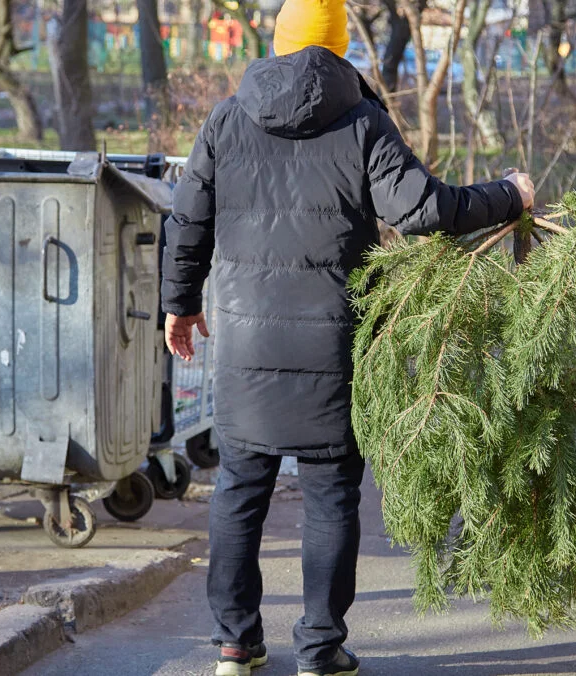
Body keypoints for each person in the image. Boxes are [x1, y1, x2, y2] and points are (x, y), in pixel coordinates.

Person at [160, 0, 535, 673]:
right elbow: (426, 210)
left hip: (245, 340)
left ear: (277, 45)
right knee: (331, 493)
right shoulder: (363, 122)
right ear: (339, 50)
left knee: (240, 487)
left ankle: (234, 644)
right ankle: (319, 650)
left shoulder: (227, 118)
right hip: (333, 344)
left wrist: (179, 305)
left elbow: (187, 221)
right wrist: (509, 193)